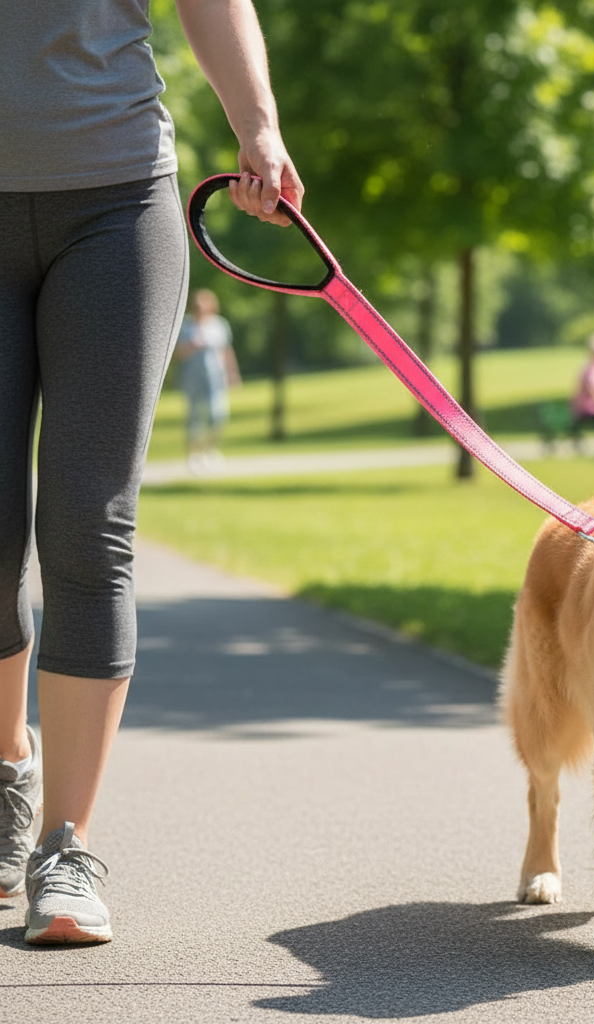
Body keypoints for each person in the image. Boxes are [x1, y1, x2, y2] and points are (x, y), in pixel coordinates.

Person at [0, 0, 302, 945]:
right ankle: (11, 763)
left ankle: (68, 841)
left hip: (117, 201)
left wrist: (258, 123)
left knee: (89, 522)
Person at [176, 289, 240, 472]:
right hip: (192, 378)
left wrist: (232, 373)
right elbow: (177, 354)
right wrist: (192, 345)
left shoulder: (219, 325)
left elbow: (226, 350)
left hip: (215, 378)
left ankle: (212, 451)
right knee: (194, 417)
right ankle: (193, 455)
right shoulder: (186, 326)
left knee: (217, 414)